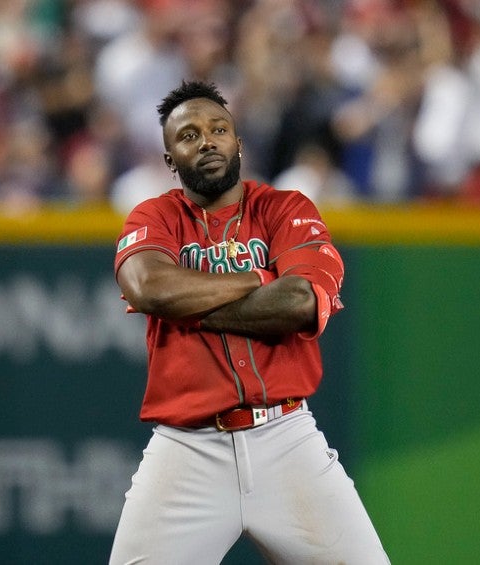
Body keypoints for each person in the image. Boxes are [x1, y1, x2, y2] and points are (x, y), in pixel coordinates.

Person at [110, 80, 388, 564]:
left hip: (286, 438)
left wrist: (191, 302)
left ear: (238, 142)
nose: (208, 140)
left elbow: (300, 299)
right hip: (186, 448)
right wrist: (261, 277)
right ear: (170, 159)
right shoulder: (153, 216)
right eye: (189, 135)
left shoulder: (287, 208)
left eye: (219, 128)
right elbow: (149, 288)